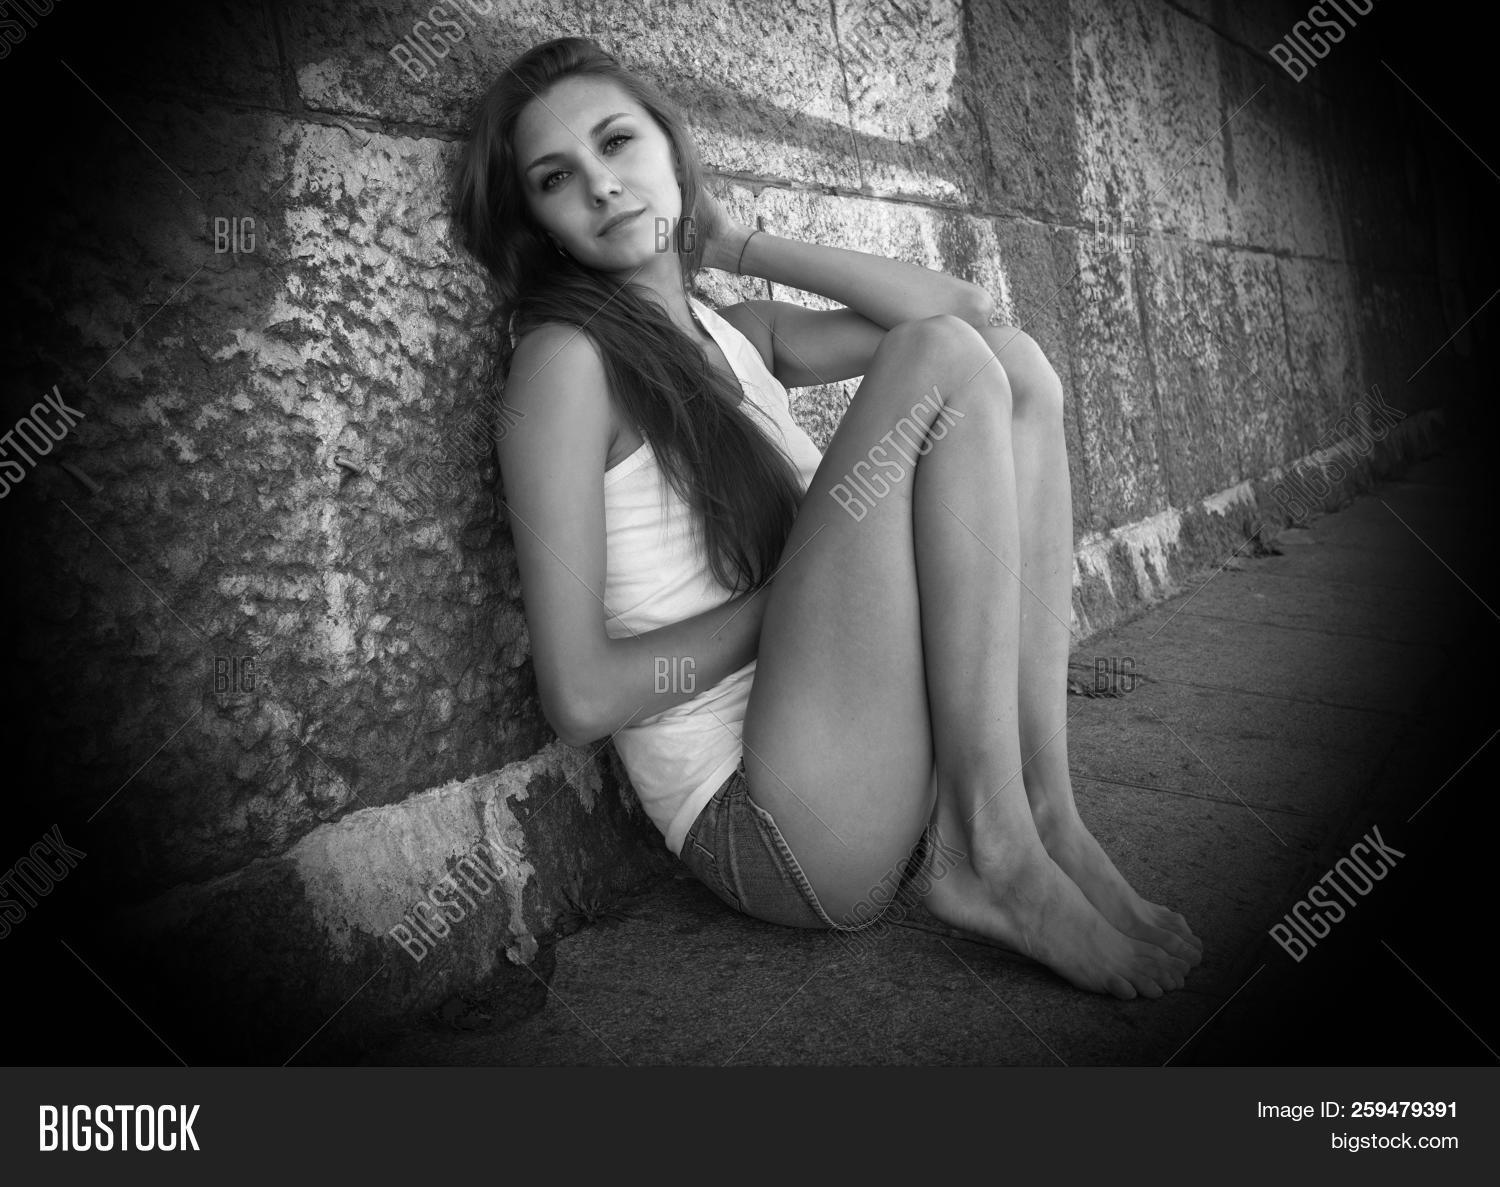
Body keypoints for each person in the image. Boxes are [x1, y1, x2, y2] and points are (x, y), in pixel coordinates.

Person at [452, 36, 1201, 999]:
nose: (600, 184)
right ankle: (993, 854)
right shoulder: (564, 363)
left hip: (866, 754)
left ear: (672, 148)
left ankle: (1044, 814)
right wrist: (793, 596)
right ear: (543, 224)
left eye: (617, 141)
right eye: (557, 177)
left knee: (1011, 366)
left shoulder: (738, 332)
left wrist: (730, 244)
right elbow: (583, 698)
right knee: (937, 360)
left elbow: (968, 312)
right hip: (774, 823)